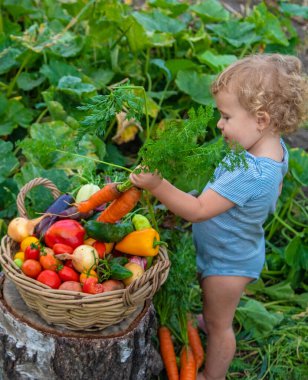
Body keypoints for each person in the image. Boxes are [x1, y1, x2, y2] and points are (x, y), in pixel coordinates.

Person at [129, 53, 308, 380]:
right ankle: (211, 316)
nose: (219, 124)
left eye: (226, 117)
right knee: (213, 308)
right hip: (232, 249)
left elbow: (197, 211)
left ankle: (213, 374)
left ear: (261, 120)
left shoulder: (252, 172)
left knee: (220, 326)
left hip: (228, 264)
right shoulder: (269, 148)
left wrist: (158, 185)